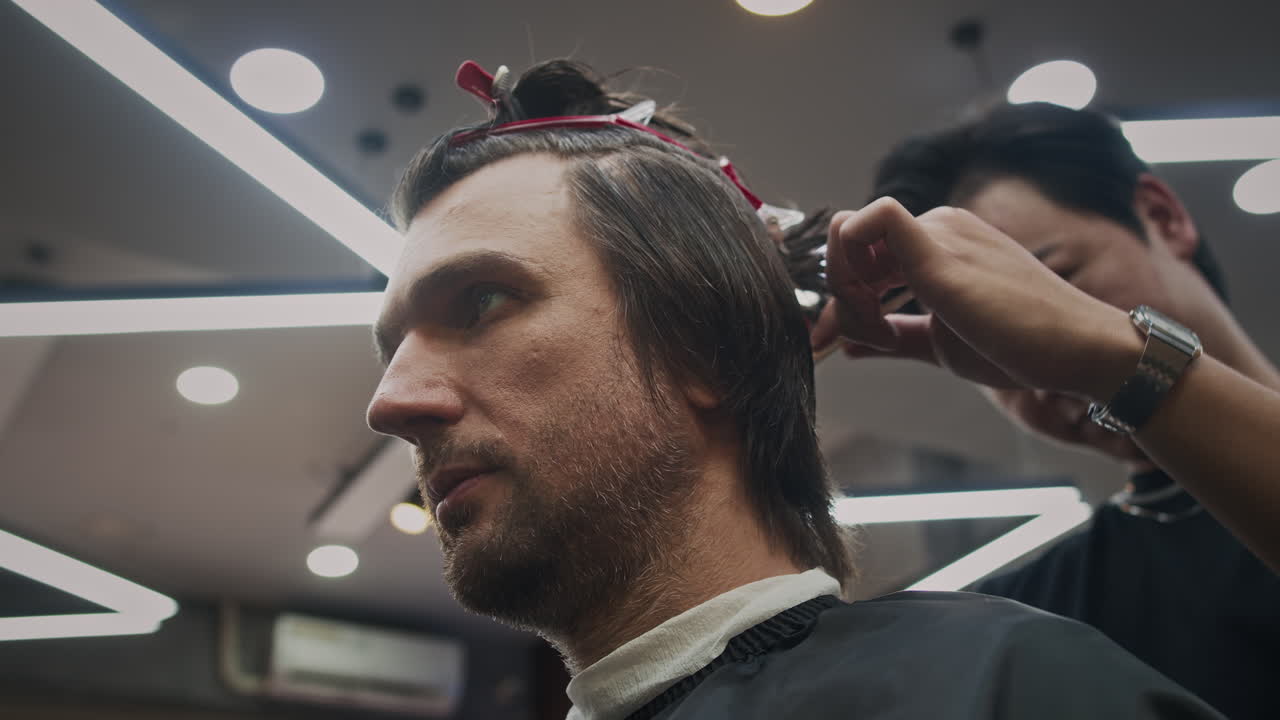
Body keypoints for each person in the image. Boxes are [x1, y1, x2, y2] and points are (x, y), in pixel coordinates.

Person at [366, 60, 1223, 719]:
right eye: (391, 345)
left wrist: (1136, 369)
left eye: (480, 302)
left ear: (707, 346)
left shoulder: (1001, 688)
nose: (391, 401)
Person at [818, 101, 1280, 720]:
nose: (1033, 359)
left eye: (1054, 282)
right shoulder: (1034, 616)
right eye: (988, 333)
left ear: (1163, 218)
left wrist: (1120, 362)